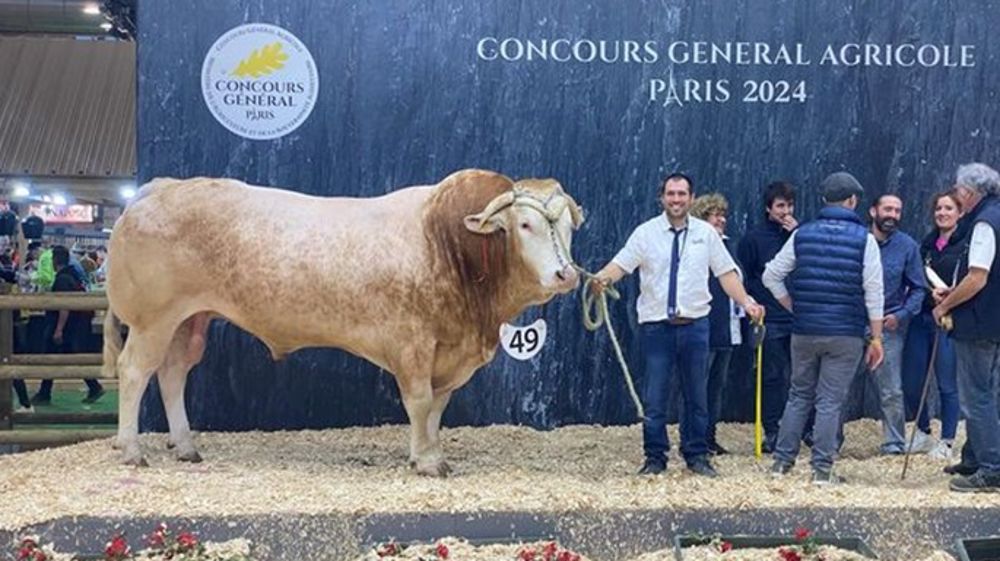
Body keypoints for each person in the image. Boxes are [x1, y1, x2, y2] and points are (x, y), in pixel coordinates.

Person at [592, 173, 763, 478]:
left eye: (682, 194)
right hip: (657, 328)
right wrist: (601, 279)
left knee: (697, 396)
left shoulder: (706, 235)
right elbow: (622, 264)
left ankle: (696, 455)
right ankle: (655, 457)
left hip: (696, 326)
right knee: (655, 397)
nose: (676, 199)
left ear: (691, 197)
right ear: (662, 198)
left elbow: (725, 274)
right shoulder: (645, 233)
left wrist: (747, 302)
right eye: (671, 194)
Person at [763, 172, 884, 485]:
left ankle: (781, 463)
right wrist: (877, 338)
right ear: (853, 201)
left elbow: (771, 276)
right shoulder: (865, 240)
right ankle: (821, 469)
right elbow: (874, 292)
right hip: (845, 333)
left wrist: (793, 305)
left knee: (798, 395)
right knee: (830, 400)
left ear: (824, 201)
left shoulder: (802, 234)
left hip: (804, 330)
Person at [932, 163, 1000, 492]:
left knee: (977, 395)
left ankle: (992, 468)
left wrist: (945, 304)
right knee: (988, 392)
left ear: (969, 193)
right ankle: (974, 456)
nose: (957, 195)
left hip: (979, 322)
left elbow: (978, 277)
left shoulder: (985, 222)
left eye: (958, 190)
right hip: (994, 319)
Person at [901, 190, 965, 460]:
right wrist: (930, 295)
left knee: (947, 383)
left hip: (949, 321)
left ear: (960, 213)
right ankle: (922, 431)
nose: (942, 213)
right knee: (913, 381)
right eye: (938, 208)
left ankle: (948, 440)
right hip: (922, 317)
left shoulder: (967, 245)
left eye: (948, 208)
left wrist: (950, 297)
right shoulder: (925, 245)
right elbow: (916, 280)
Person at [860, 194, 926, 455]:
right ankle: (831, 443)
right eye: (888, 209)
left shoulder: (908, 246)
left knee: (891, 390)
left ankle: (894, 443)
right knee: (838, 389)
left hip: (888, 325)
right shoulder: (857, 240)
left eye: (898, 211)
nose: (893, 215)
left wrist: (901, 315)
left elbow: (919, 288)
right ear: (873, 211)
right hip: (853, 324)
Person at [737, 181, 798, 452]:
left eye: (789, 205)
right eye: (780, 206)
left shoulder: (801, 235)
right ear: (768, 208)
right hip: (769, 318)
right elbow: (746, 277)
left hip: (799, 317)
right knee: (771, 376)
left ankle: (802, 429)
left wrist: (796, 233)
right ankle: (772, 430)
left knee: (801, 377)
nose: (785, 211)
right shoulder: (753, 239)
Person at [689, 193, 743, 455]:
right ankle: (694, 438)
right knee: (697, 386)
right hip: (705, 325)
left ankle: (709, 436)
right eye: (715, 215)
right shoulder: (695, 247)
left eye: (723, 215)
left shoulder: (728, 246)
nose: (721, 220)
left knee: (715, 388)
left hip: (727, 327)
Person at [30, 245, 104, 405]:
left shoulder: (62, 279)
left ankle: (45, 393)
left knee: (51, 358)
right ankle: (93, 386)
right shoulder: (74, 275)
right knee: (72, 358)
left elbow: (64, 307)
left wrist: (58, 330)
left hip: (63, 326)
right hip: (74, 326)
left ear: (55, 260)